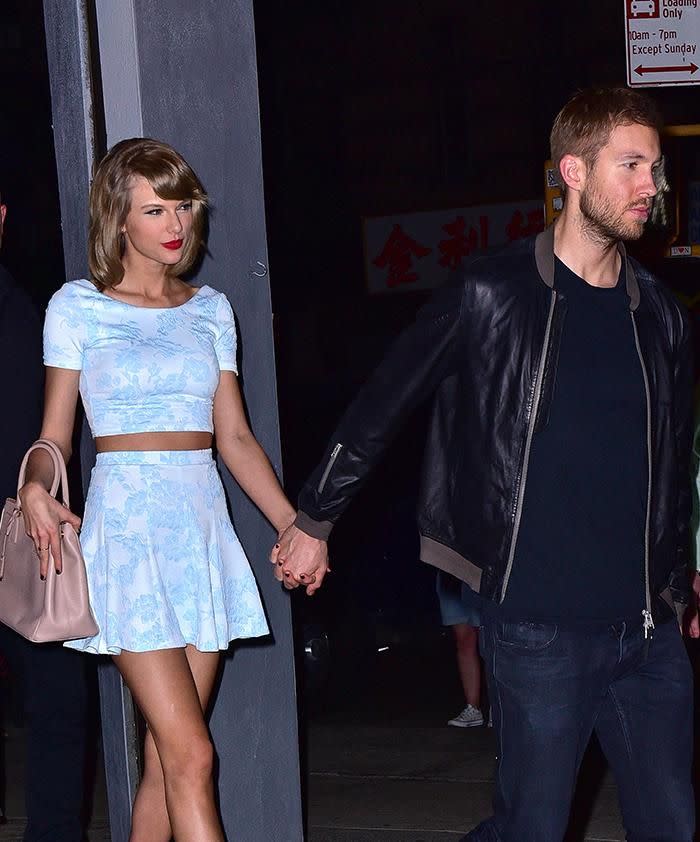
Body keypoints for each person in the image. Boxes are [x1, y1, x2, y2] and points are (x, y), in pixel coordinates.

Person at [272, 88, 695, 841]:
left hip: (647, 632)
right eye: (631, 166)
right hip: (538, 629)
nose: (650, 188)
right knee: (529, 828)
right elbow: (383, 403)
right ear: (573, 170)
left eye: (655, 169)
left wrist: (684, 567)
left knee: (670, 825)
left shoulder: (659, 315)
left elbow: (678, 457)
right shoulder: (491, 295)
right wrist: (314, 517)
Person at [19, 139, 296, 842]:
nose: (173, 223)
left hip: (199, 535)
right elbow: (55, 434)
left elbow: (233, 438)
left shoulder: (210, 310)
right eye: (153, 209)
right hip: (128, 537)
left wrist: (295, 525)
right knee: (194, 754)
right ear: (118, 218)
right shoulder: (76, 308)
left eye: (180, 206)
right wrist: (33, 485)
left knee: (165, 762)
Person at [0, 188, 88, 841]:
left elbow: (47, 428)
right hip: (23, 523)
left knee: (59, 697)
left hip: (28, 527)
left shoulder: (29, 312)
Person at [436, 572, 483, 728]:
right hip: (452, 570)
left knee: (490, 638)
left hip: (482, 568)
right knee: (464, 639)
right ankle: (472, 708)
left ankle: (499, 708)